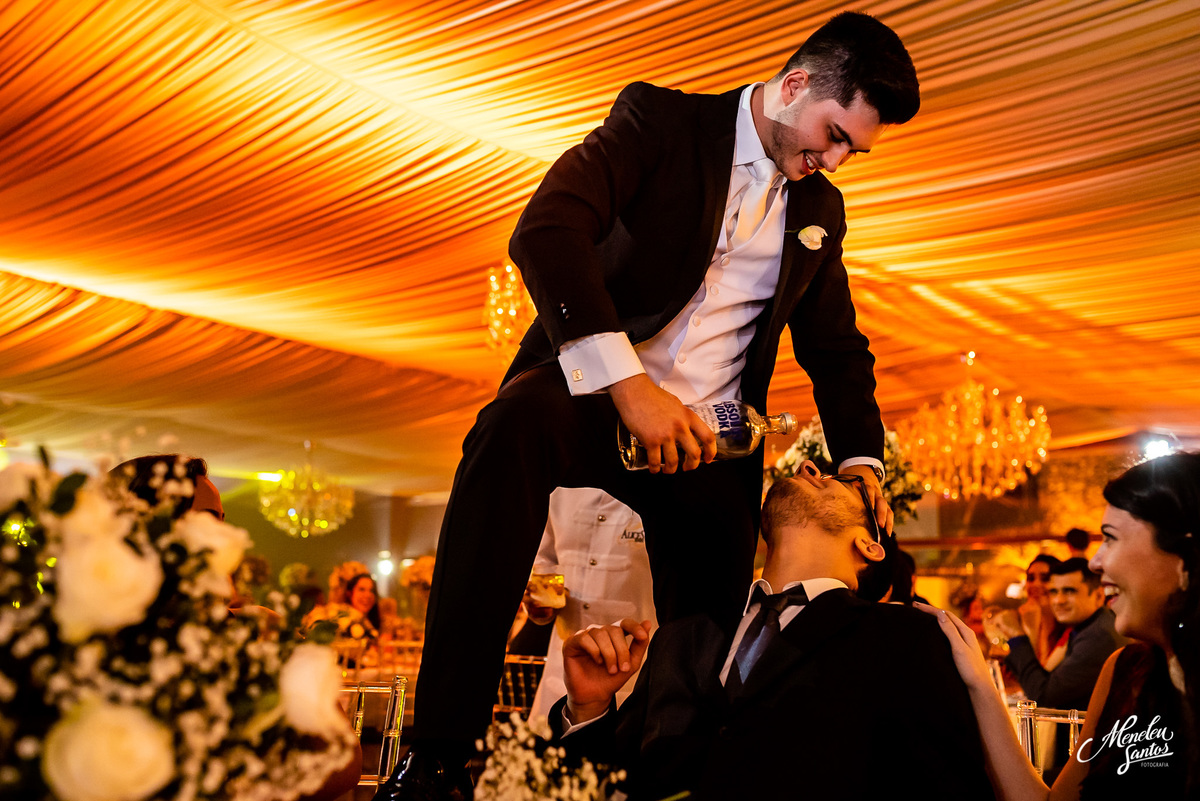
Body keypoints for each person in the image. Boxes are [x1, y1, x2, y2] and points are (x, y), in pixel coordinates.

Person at [380, 14, 919, 798]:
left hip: (710, 442)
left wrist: (865, 463)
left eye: (850, 152)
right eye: (832, 136)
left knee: (706, 639)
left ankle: (676, 782)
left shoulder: (819, 211)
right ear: (796, 83)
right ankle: (436, 758)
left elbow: (837, 350)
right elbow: (547, 228)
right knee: (509, 430)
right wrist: (629, 386)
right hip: (598, 392)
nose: (831, 162)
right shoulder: (658, 121)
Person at [552, 460, 994, 800]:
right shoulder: (681, 637)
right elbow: (609, 787)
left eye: (846, 483)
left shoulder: (905, 638)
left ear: (869, 544)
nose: (807, 469)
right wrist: (588, 708)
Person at [923, 451, 1200, 800]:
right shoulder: (1125, 672)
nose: (1096, 563)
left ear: (1184, 559)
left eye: (1110, 538)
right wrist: (978, 681)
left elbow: (1047, 692)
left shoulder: (1105, 646)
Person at [522, 487, 658, 720]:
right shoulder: (558, 489)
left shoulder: (659, 489)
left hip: (637, 669)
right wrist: (538, 603)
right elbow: (542, 562)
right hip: (561, 668)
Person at [1001, 558, 1128, 779]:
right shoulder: (1084, 628)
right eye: (1054, 592)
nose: (1058, 600)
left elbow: (1043, 694)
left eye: (1069, 591)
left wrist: (1016, 637)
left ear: (1098, 596)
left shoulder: (1099, 636)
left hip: (1097, 762)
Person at [1019, 554, 1066, 666]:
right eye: (1031, 578)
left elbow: (1037, 678)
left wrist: (1032, 634)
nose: (1036, 584)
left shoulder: (1068, 633)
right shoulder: (1022, 623)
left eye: (1045, 578)